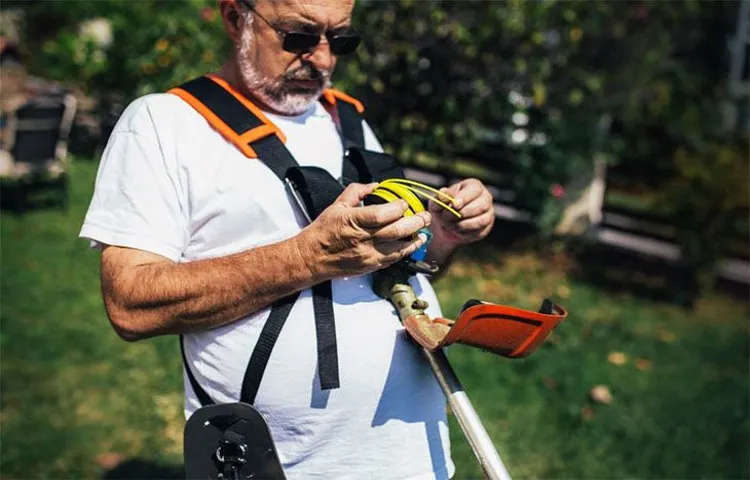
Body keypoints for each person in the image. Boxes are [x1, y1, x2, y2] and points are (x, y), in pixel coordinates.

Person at [79, 0, 495, 478]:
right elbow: (130, 302)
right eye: (299, 36)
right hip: (279, 464)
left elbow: (405, 266)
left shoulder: (349, 122)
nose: (322, 59)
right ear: (237, 18)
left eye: (340, 39)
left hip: (415, 458)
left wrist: (443, 235)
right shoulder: (164, 124)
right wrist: (308, 257)